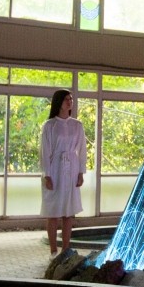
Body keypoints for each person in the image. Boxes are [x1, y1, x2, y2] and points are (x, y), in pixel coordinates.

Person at [40, 89, 87, 257]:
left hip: (71, 169)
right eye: (66, 99)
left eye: (71, 99)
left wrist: (81, 172)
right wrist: (47, 174)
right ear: (58, 102)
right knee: (53, 211)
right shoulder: (50, 125)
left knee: (68, 211)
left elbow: (82, 150)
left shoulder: (77, 125)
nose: (70, 102)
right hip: (55, 168)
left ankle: (66, 249)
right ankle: (53, 250)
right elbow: (45, 151)